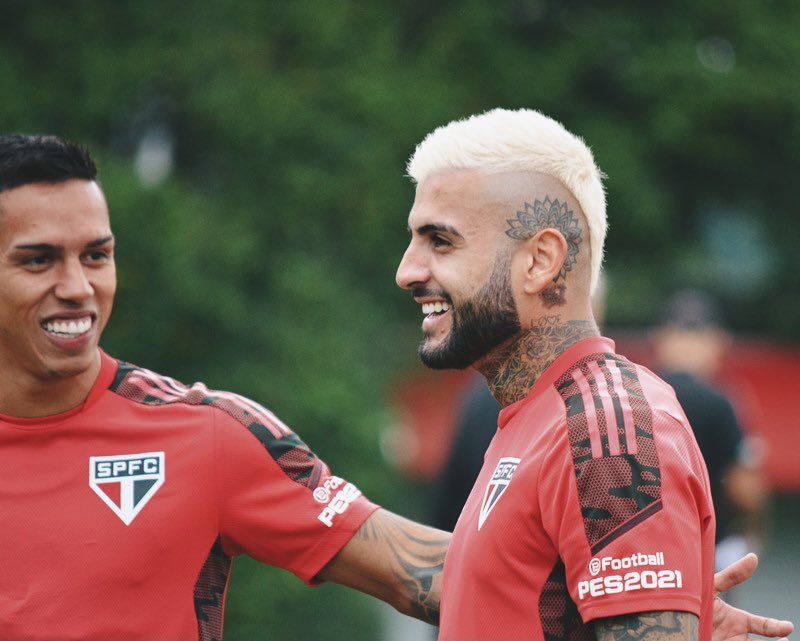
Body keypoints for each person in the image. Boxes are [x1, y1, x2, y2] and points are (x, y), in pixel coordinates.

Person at [0, 134, 789, 641]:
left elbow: (433, 574)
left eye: (96, 255)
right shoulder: (518, 412)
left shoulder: (205, 433)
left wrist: (640, 598)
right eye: (38, 259)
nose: (78, 286)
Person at [394, 108, 791, 640]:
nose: (407, 271)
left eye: (440, 241)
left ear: (540, 261)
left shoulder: (605, 428)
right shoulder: (532, 416)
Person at [652, 289, 768, 578]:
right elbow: (746, 492)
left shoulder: (634, 393)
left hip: (646, 556)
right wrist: (750, 537)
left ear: (661, 338)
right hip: (704, 557)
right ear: (717, 341)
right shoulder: (723, 402)